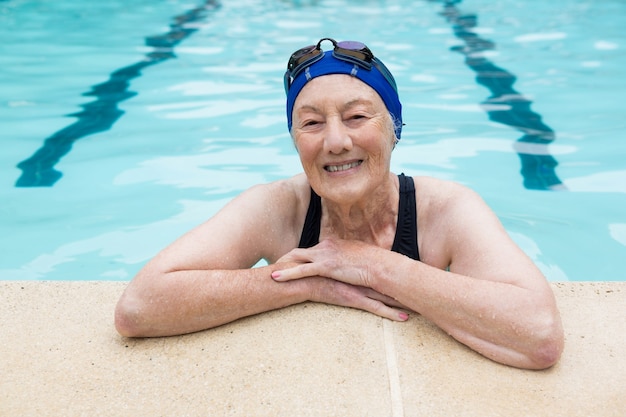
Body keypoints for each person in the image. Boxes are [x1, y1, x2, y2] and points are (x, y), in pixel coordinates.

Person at [115, 38, 564, 370]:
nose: (335, 141)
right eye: (311, 123)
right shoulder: (276, 207)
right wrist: (308, 284)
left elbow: (539, 334)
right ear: (294, 139)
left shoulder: (446, 209)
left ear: (394, 127)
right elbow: (139, 307)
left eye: (356, 117)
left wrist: (371, 264)